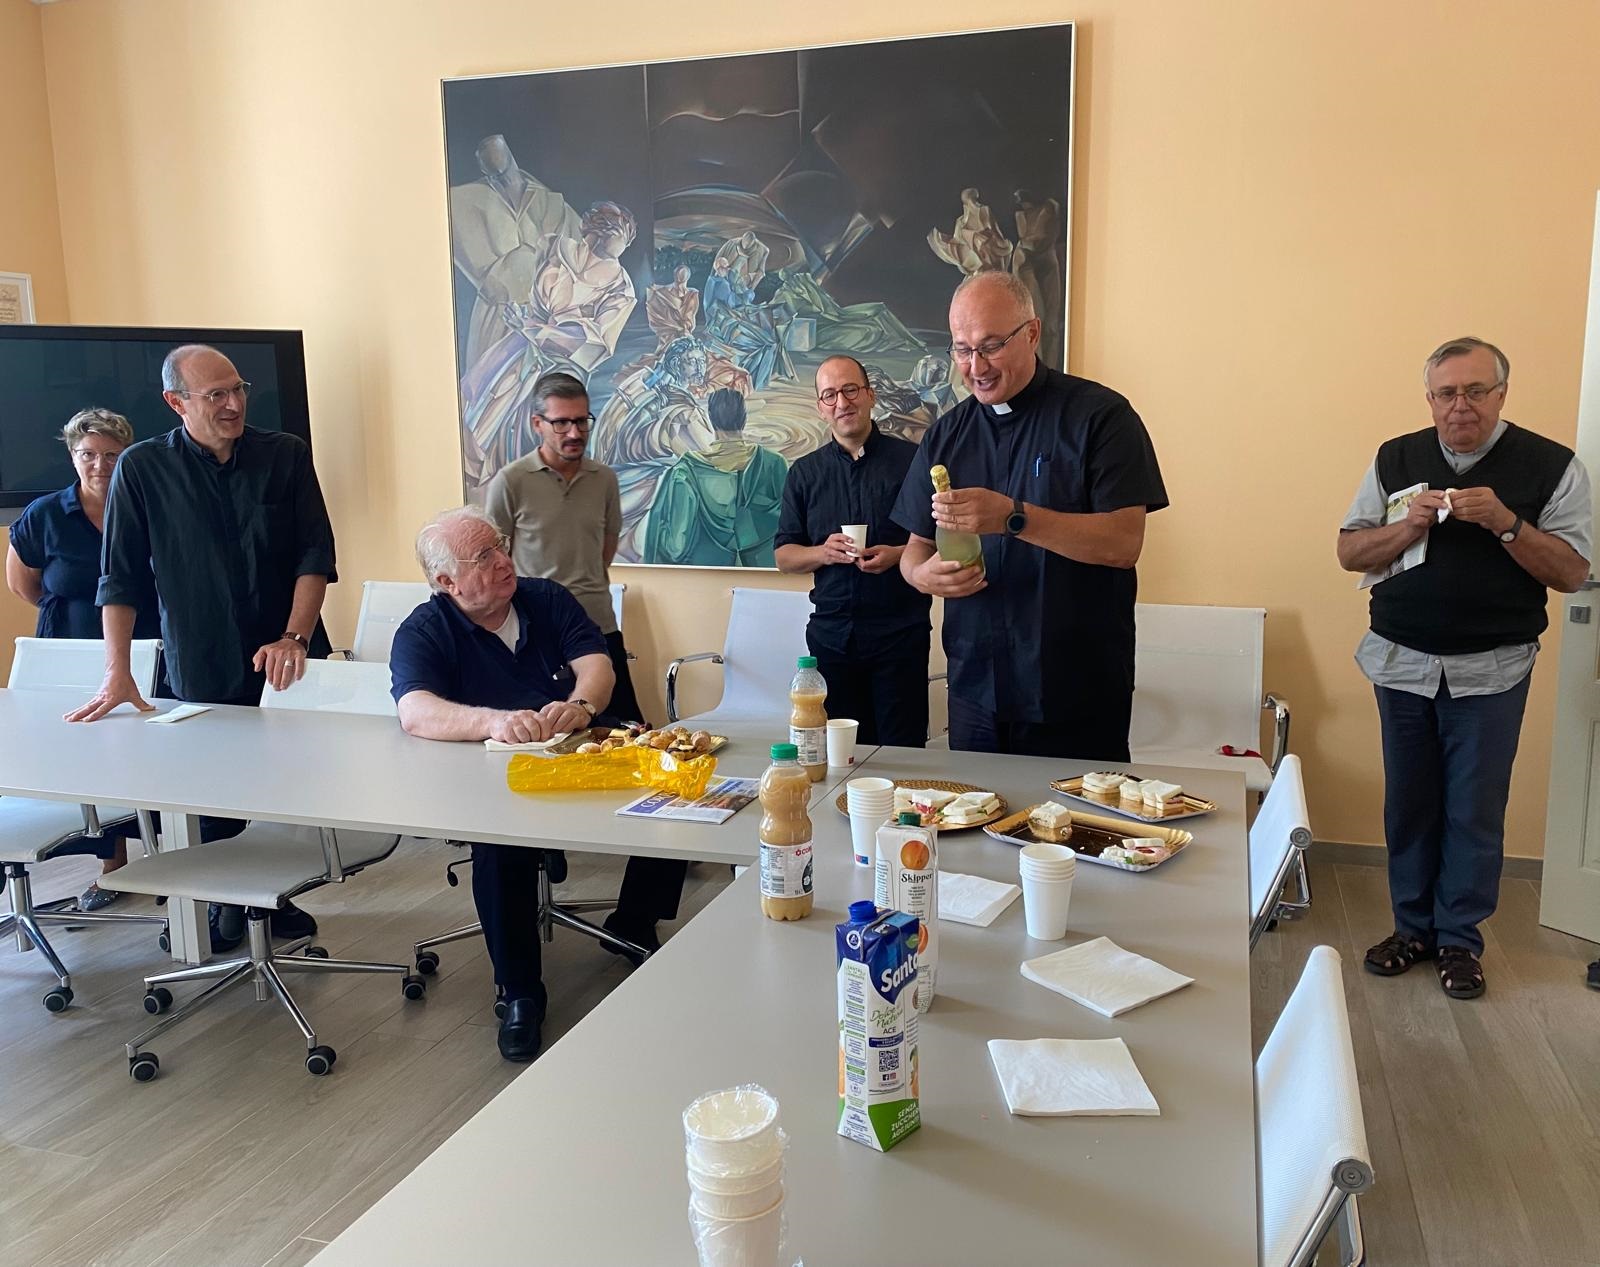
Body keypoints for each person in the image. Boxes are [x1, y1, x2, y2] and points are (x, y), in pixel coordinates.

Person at [1337, 336, 1591, 1000]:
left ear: (1502, 394)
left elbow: (1573, 572)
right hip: (1401, 661)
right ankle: (1412, 930)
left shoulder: (1551, 465)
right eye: (1447, 393)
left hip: (1493, 669)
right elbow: (1349, 550)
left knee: (1474, 809)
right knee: (1409, 802)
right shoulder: (1395, 457)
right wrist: (1407, 528)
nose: (1461, 406)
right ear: (1429, 399)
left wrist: (1508, 524)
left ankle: (1458, 940)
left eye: (1477, 391)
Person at [66, 344, 338, 948]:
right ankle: (224, 903)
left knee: (290, 782)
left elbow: (315, 554)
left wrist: (294, 635)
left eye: (238, 389)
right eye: (216, 394)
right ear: (176, 402)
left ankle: (272, 896)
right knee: (214, 791)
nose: (234, 403)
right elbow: (119, 578)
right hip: (200, 653)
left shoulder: (286, 454)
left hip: (288, 655)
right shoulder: (142, 467)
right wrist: (117, 671)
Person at [391, 506, 665, 1062]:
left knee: (670, 789)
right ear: (447, 581)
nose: (503, 561)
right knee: (500, 844)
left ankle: (634, 919)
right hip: (491, 774)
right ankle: (518, 993)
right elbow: (415, 711)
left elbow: (597, 664)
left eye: (500, 546)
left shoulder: (546, 598)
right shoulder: (423, 630)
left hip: (576, 748)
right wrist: (494, 722)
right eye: (483, 556)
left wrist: (581, 705)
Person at [891, 270, 1167, 759]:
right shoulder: (946, 435)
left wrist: (1012, 517)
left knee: (1074, 813)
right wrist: (921, 575)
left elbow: (1124, 544)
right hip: (976, 687)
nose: (976, 367)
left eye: (991, 346)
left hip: (1076, 688)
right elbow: (915, 548)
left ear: (1033, 333)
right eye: (961, 350)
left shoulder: (1101, 416)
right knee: (973, 808)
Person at [483, 374, 697, 946]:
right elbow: (494, 566)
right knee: (538, 755)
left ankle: (634, 918)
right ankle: (535, 862)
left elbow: (602, 552)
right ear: (538, 424)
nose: (574, 432)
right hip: (534, 646)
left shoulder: (605, 479)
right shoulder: (510, 483)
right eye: (562, 422)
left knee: (659, 764)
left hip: (599, 634)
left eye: (582, 421)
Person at [6, 407, 159, 910]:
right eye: (88, 454)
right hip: (70, 649)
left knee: (148, 756)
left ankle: (169, 862)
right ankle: (112, 866)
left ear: (128, 456)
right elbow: (23, 584)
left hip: (145, 647)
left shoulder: (149, 505)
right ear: (72, 456)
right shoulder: (45, 514)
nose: (100, 465)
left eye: (112, 455)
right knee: (87, 762)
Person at [775, 356, 931, 745]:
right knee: (838, 755)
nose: (842, 403)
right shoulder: (804, 473)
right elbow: (784, 556)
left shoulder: (912, 461)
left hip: (900, 634)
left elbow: (942, 540)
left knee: (904, 752)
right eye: (830, 395)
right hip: (831, 639)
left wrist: (898, 555)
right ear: (820, 407)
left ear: (870, 395)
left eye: (850, 390)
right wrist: (823, 553)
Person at [460, 200, 638, 485]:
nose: (625, 240)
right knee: (491, 401)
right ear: (597, 229)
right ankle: (492, 479)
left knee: (540, 416)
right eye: (620, 231)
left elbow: (597, 340)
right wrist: (522, 317)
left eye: (627, 235)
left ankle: (532, 485)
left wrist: (537, 331)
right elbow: (533, 302)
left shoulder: (621, 288)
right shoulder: (554, 248)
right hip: (523, 345)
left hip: (566, 362)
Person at [449, 134, 581, 368]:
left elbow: (577, 248)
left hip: (543, 311)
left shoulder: (549, 200)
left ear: (512, 159)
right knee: (495, 379)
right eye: (494, 175)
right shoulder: (467, 201)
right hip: (500, 313)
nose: (502, 180)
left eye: (505, 171)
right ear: (484, 170)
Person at [643, 387, 788, 567]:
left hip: (708, 577)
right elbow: (790, 529)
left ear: (711, 420)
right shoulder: (775, 464)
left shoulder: (686, 471)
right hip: (765, 576)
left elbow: (676, 547)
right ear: (744, 419)